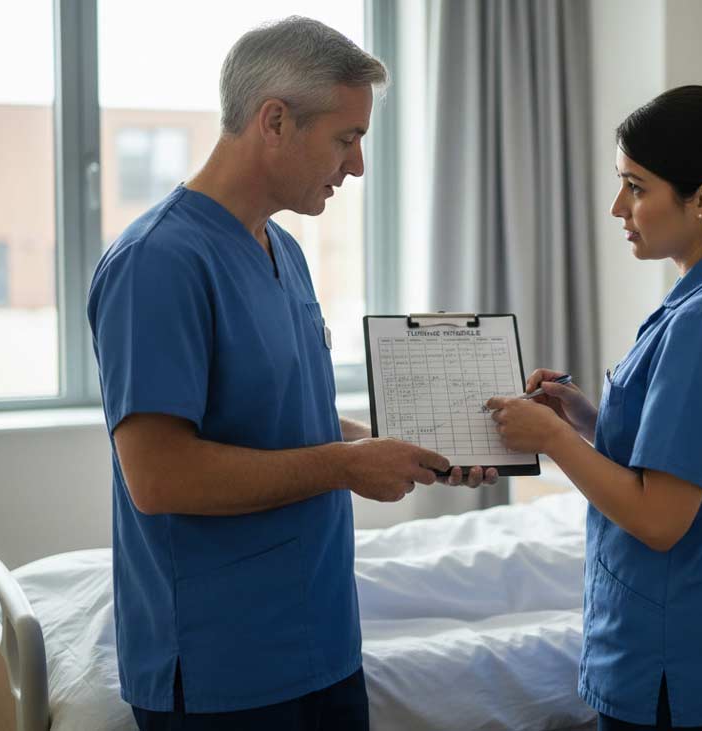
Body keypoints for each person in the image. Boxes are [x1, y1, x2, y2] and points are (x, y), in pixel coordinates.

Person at [86, 16, 496, 731]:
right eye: (347, 138)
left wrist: (408, 444)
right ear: (274, 120)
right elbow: (159, 477)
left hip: (323, 640)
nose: (358, 166)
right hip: (227, 667)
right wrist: (345, 464)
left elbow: (283, 412)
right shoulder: (159, 263)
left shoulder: (283, 249)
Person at [486, 85, 702, 731]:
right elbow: (687, 450)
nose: (618, 207)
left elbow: (659, 518)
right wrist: (585, 419)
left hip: (676, 655)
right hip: (688, 638)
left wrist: (554, 440)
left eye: (637, 186)